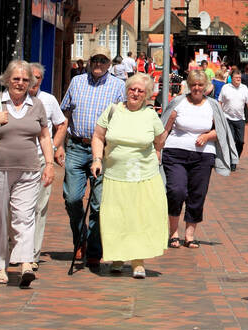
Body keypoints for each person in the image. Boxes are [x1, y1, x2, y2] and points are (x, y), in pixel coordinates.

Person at [0, 60, 54, 287]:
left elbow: (45, 136)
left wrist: (49, 163)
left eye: (26, 80)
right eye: (16, 79)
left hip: (29, 170)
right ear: (7, 79)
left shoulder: (36, 105)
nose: (20, 83)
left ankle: (25, 263)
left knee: (24, 217)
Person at [90, 73, 169, 278]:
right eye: (132, 89)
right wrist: (97, 159)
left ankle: (137, 261)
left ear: (147, 95)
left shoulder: (151, 115)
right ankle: (117, 258)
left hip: (144, 175)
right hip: (115, 174)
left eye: (140, 91)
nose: (135, 93)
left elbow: (160, 141)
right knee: (115, 217)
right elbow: (98, 136)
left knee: (139, 218)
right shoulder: (113, 110)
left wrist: (156, 152)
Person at [59, 48, 126, 272]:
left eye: (103, 60)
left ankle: (94, 251)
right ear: (89, 61)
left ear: (109, 63)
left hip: (105, 151)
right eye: (95, 59)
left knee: (99, 204)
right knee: (72, 198)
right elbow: (65, 114)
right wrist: (58, 144)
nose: (98, 63)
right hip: (77, 146)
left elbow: (125, 118)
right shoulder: (77, 82)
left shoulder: (118, 86)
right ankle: (81, 238)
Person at [160, 70, 239, 248]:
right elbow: (163, 128)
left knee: (197, 194)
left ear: (206, 87)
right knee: (176, 191)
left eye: (200, 85)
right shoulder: (178, 102)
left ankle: (189, 235)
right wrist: (158, 149)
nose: (197, 88)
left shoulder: (213, 105)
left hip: (203, 156)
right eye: (193, 84)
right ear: (188, 85)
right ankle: (173, 232)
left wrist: (209, 135)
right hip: (175, 153)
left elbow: (222, 130)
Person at [27, 63, 66, 269]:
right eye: (29, 77)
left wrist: (53, 146)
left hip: (42, 159)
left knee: (39, 207)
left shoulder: (49, 100)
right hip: (17, 161)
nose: (33, 81)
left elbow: (62, 124)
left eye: (37, 77)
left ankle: (32, 254)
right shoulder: (14, 100)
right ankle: (15, 246)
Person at [218, 67, 248, 159]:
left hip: (240, 119)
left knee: (240, 141)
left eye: (240, 78)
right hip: (227, 118)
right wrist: (218, 114)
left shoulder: (244, 88)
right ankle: (231, 159)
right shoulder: (225, 87)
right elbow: (220, 102)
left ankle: (235, 157)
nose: (238, 79)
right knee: (231, 139)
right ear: (231, 78)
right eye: (236, 77)